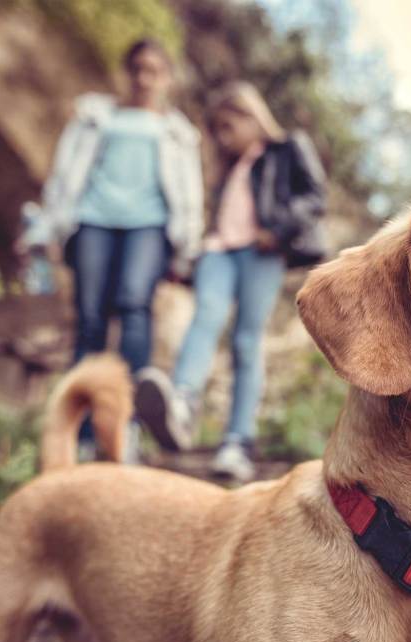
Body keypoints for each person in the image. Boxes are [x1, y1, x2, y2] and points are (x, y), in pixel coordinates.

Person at [18, 39, 204, 462]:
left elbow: (190, 194)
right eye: (137, 68)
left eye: (154, 70)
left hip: (150, 227)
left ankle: (127, 428)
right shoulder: (95, 117)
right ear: (127, 71)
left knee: (135, 308)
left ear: (167, 79)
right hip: (93, 221)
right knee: (90, 320)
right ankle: (82, 433)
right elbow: (64, 176)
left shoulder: (178, 133)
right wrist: (45, 227)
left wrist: (185, 249)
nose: (144, 78)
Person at [135, 81, 327, 482]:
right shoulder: (229, 170)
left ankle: (237, 441)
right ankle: (182, 404)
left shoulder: (287, 148)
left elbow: (314, 197)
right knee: (205, 316)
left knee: (246, 340)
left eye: (228, 126)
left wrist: (277, 230)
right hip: (219, 252)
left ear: (251, 116)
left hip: (262, 252)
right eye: (218, 130)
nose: (223, 138)